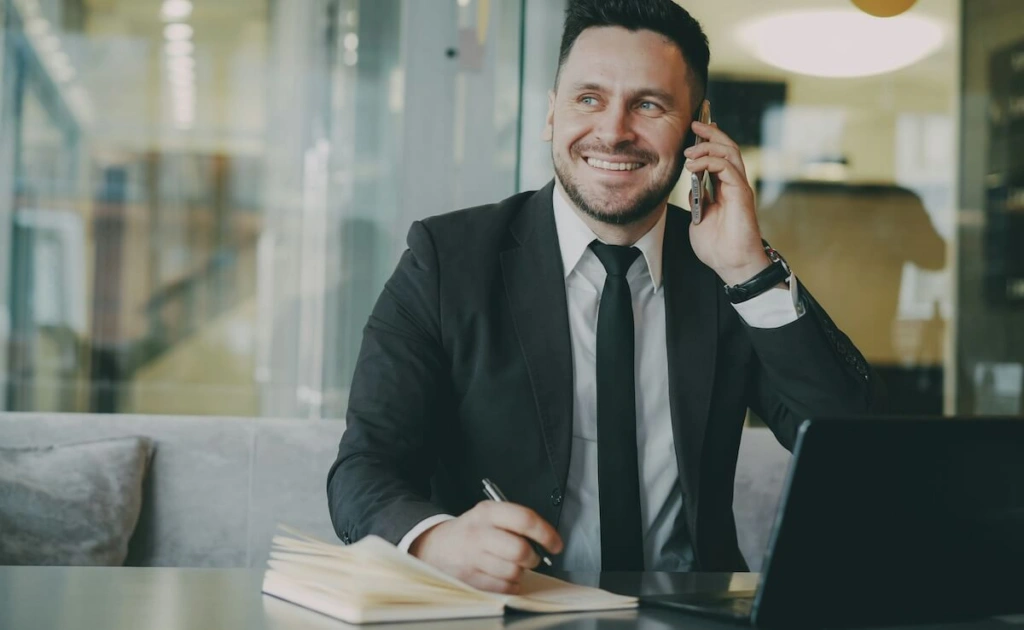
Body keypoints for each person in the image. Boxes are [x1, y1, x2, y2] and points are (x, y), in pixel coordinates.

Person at [328, 0, 881, 595]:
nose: (613, 131)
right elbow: (364, 468)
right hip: (503, 615)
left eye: (648, 104)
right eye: (588, 99)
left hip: (690, 619)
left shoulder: (728, 265)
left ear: (700, 126)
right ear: (551, 114)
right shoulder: (446, 259)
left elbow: (856, 448)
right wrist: (437, 541)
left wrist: (750, 271)